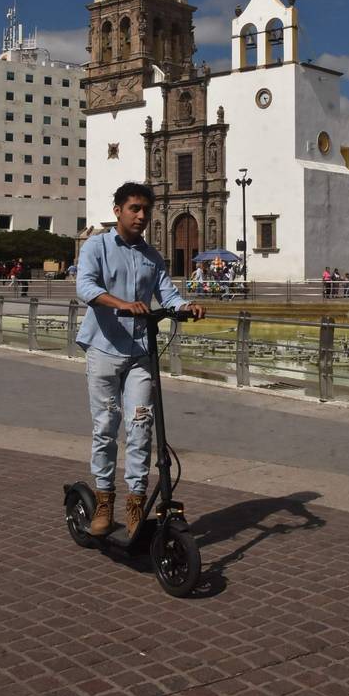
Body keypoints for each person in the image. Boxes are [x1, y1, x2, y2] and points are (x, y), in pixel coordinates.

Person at [76, 182, 205, 539]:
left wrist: (185, 307)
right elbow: (85, 287)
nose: (141, 216)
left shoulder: (152, 256)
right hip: (103, 349)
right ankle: (104, 502)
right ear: (117, 210)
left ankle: (136, 503)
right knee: (105, 427)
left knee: (140, 427)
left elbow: (168, 292)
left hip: (140, 353)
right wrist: (122, 305)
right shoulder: (96, 246)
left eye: (145, 210)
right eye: (134, 208)